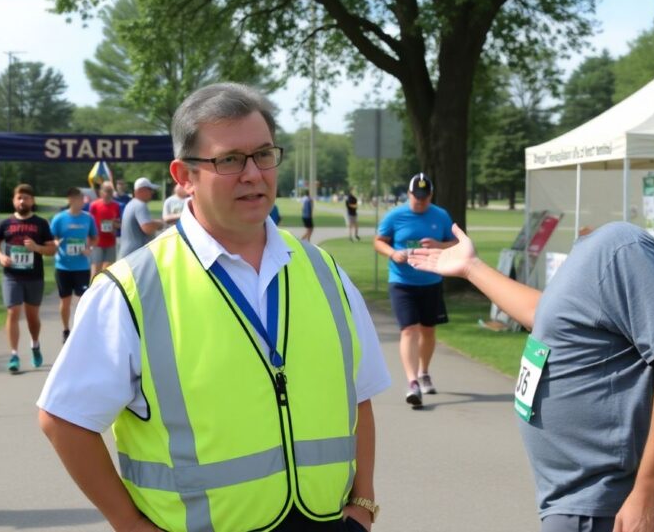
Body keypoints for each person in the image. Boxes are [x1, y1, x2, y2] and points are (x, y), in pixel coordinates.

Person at [38, 82, 390, 532]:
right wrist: (128, 523)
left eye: (264, 154)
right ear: (184, 176)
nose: (253, 174)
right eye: (229, 160)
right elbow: (64, 420)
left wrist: (363, 502)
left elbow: (358, 395)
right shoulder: (131, 289)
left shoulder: (324, 272)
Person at [409, 222, 654, 532]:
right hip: (574, 504)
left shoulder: (622, 245)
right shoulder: (588, 251)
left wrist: (650, 492)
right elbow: (542, 314)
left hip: (605, 507)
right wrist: (471, 267)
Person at [373, 173, 457, 407]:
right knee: (409, 329)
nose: (420, 201)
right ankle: (412, 383)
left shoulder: (440, 216)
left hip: (431, 282)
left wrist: (440, 245)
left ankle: (424, 372)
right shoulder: (395, 215)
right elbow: (379, 241)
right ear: (408, 194)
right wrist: (392, 253)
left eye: (424, 197)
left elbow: (457, 242)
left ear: (431, 195)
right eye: (416, 197)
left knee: (428, 331)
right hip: (401, 281)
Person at [0, 184, 56, 373]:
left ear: (32, 201)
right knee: (13, 311)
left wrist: (37, 248)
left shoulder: (40, 223)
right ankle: (14, 355)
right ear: (13, 201)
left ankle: (35, 345)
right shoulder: (7, 223)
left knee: (32, 316)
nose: (22, 201)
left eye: (26, 198)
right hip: (12, 276)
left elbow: (52, 249)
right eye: (19, 198)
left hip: (34, 276)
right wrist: (1, 257)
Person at [51, 187, 98, 343]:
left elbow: (94, 237)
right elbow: (52, 237)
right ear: (69, 200)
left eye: (80, 198)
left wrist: (89, 248)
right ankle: (66, 329)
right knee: (65, 300)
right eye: (75, 198)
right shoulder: (59, 218)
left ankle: (79, 329)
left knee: (82, 300)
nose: (79, 201)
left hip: (82, 266)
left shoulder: (88, 218)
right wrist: (56, 242)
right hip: (63, 266)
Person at [117, 177, 163, 258]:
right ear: (140, 190)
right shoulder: (140, 205)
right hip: (135, 255)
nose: (152, 192)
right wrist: (159, 224)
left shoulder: (131, 204)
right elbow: (147, 228)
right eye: (149, 189)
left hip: (129, 253)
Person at [89, 181, 121, 277]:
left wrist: (115, 226)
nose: (108, 193)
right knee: (95, 271)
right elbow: (89, 223)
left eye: (111, 191)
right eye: (106, 191)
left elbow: (119, 223)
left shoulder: (116, 206)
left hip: (110, 241)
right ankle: (92, 291)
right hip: (97, 242)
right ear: (101, 192)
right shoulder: (94, 205)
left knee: (109, 272)